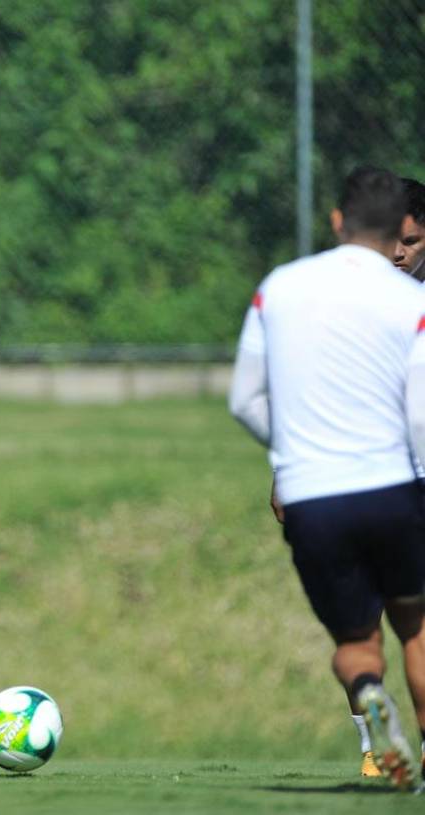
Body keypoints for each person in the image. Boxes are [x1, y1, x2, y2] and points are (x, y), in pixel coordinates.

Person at [230, 166, 425, 791]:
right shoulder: (409, 301)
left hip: (311, 492)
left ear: (337, 221)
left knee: (355, 640)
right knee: (416, 626)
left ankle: (370, 704)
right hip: (394, 485)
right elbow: (420, 413)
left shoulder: (280, 287)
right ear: (399, 231)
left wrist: (294, 458)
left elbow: (244, 400)